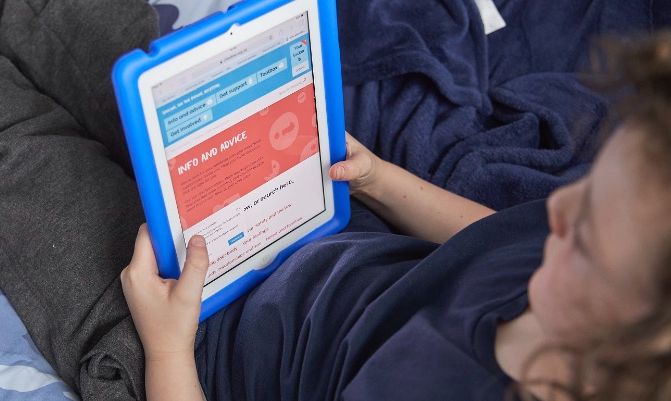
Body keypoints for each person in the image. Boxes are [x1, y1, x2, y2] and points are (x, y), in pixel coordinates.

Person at [120, 32, 671, 401]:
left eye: (585, 235)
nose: (556, 208)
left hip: (202, 346)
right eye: (588, 187)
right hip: (328, 233)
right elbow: (495, 238)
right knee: (139, 82)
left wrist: (167, 350)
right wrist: (378, 180)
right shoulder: (570, 250)